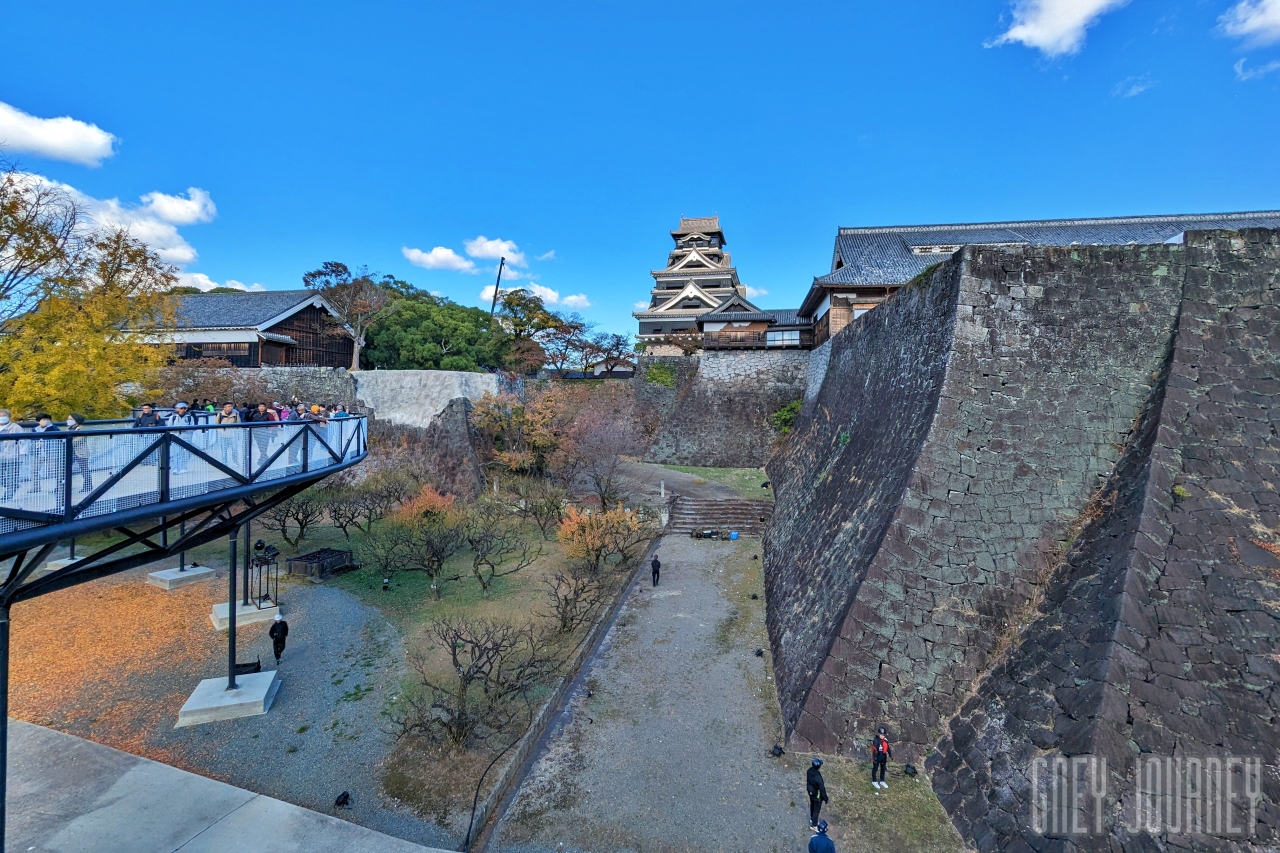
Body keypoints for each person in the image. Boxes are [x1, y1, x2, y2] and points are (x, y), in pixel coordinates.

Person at [31, 413, 60, 492]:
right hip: (38, 453)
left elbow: (57, 438)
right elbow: (32, 440)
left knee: (56, 470)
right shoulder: (35, 429)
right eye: (43, 420)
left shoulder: (54, 428)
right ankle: (36, 487)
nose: (46, 421)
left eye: (47, 419)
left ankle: (59, 486)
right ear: (38, 421)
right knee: (34, 470)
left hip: (51, 453)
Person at [0, 409, 25, 502]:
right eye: (0, 416)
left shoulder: (16, 427)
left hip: (13, 456)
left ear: (9, 417)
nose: (2, 418)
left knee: (12, 476)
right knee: (1, 477)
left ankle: (9, 495)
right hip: (1, 457)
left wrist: (22, 454)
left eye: (4, 416)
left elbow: (23, 441)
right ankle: (14, 485)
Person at [66, 413, 92, 493]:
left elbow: (76, 440)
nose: (68, 421)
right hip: (70, 452)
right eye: (68, 419)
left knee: (84, 470)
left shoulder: (81, 429)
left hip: (81, 453)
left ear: (76, 420)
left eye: (71, 419)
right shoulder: (68, 428)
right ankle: (63, 486)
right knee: (65, 470)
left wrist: (67, 441)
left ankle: (88, 486)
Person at [214, 401, 242, 468]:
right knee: (224, 450)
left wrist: (238, 434)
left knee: (234, 450)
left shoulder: (235, 415)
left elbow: (239, 425)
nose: (230, 408)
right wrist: (222, 431)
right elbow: (216, 425)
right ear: (224, 408)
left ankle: (235, 462)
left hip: (233, 435)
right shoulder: (220, 415)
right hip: (223, 436)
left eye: (231, 406)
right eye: (229, 406)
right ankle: (225, 463)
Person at [807, 757, 829, 830]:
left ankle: (812, 818)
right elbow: (822, 789)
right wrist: (825, 798)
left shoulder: (809, 771)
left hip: (810, 792)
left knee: (812, 805)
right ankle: (814, 825)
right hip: (817, 795)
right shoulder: (818, 777)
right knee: (816, 809)